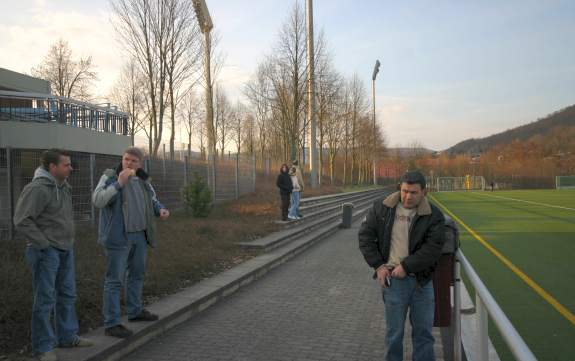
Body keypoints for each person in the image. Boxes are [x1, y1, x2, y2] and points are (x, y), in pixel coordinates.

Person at [14, 149, 93, 361]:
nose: (71, 168)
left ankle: (67, 336)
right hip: (45, 253)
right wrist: (44, 244)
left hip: (66, 249)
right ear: (52, 167)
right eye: (66, 165)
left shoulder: (63, 187)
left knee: (67, 295)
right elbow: (22, 220)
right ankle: (43, 347)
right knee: (45, 300)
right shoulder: (37, 189)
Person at [358, 170, 445, 361]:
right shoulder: (382, 208)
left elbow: (432, 249)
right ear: (400, 188)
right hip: (393, 283)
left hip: (422, 283)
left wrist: (406, 267)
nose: (408, 196)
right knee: (394, 335)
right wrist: (379, 266)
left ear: (424, 192)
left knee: (423, 336)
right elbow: (365, 237)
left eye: (413, 192)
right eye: (405, 191)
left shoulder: (434, 216)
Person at [92, 147, 170, 339]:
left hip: (140, 236)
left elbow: (152, 200)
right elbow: (98, 200)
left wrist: (160, 209)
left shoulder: (143, 179)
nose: (129, 164)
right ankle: (112, 323)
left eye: (134, 161)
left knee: (136, 275)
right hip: (119, 238)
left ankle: (135, 312)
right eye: (126, 159)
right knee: (114, 280)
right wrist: (119, 183)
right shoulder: (110, 176)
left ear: (140, 164)